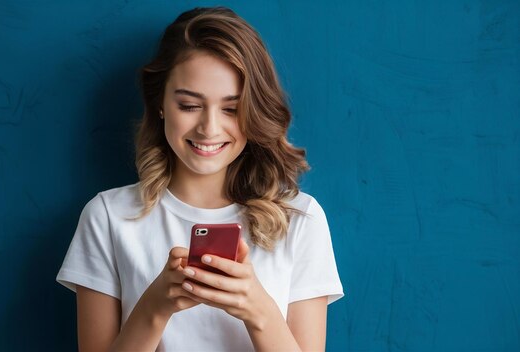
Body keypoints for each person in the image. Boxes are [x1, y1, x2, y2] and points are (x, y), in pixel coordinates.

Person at [56, 6, 344, 351]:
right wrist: (155, 307)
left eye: (231, 109)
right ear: (160, 102)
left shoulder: (300, 219)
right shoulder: (108, 216)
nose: (209, 128)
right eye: (189, 105)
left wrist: (258, 310)